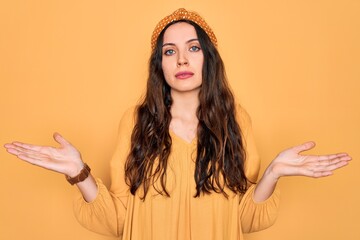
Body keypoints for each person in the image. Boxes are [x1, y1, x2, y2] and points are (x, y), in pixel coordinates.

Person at [4, 8, 351, 240]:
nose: (182, 58)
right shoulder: (136, 121)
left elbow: (243, 221)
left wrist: (273, 172)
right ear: (160, 65)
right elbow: (120, 222)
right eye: (169, 51)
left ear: (208, 59)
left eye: (193, 48)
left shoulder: (235, 120)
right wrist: (79, 173)